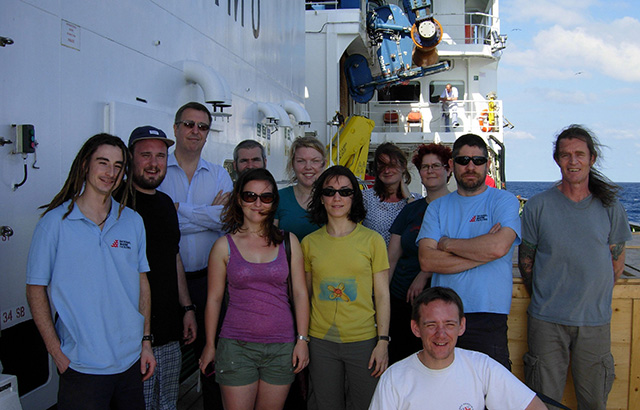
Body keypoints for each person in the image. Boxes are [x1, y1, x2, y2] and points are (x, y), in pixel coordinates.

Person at [26, 133, 156, 409]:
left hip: (130, 361)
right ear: (85, 165)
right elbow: (35, 288)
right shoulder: (54, 224)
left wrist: (145, 342)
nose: (110, 172)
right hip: (81, 366)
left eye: (118, 166)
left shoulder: (132, 221)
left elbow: (141, 282)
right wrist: (56, 352)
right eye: (103, 162)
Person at [518, 125, 632, 410]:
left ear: (592, 159)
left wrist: (593, 293)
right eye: (566, 155)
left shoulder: (611, 207)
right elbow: (526, 261)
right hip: (546, 322)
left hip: (595, 322)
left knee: (594, 402)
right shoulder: (538, 206)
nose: (573, 161)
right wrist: (548, 297)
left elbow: (616, 263)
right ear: (557, 160)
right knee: (545, 402)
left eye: (579, 154)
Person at [199, 168, 310, 410]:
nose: (257, 203)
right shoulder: (223, 246)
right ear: (239, 199)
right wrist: (209, 344)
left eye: (266, 197)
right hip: (236, 347)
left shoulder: (288, 242)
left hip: (282, 346)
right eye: (250, 196)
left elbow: (300, 294)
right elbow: (214, 299)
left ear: (274, 202)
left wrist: (302, 340)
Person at [417, 133, 520, 369]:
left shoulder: (504, 201)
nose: (470, 166)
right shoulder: (437, 207)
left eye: (478, 160)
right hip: (442, 316)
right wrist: (484, 253)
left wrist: (447, 243)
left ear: (488, 164)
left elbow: (498, 246)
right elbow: (427, 260)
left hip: (489, 313)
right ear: (452, 165)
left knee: (492, 395)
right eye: (463, 161)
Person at [158, 101, 233, 407]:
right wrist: (205, 216)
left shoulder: (218, 174)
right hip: (163, 283)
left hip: (207, 283)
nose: (195, 131)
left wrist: (177, 211)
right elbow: (159, 224)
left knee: (211, 354)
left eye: (202, 127)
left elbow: (226, 220)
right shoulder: (158, 171)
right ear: (175, 128)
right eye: (189, 124)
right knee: (161, 360)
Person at [369, 287, 546, 410]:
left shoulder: (481, 367)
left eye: (449, 324)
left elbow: (534, 407)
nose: (441, 334)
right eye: (431, 325)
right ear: (416, 328)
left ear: (461, 326)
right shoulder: (394, 378)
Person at [302, 165, 390, 410]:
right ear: (321, 197)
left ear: (355, 196)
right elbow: (305, 297)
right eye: (330, 191)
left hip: (364, 341)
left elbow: (382, 296)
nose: (337, 198)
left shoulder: (373, 241)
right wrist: (302, 339)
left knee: (366, 404)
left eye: (345, 191)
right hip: (320, 342)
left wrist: (382, 342)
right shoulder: (308, 244)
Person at [123, 126, 197, 410]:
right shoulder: (116, 204)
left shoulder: (166, 204)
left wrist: (187, 308)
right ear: (130, 159)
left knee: (166, 403)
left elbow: (173, 256)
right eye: (145, 155)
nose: (154, 163)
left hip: (167, 330)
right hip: (130, 337)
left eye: (160, 156)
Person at [387, 143, 452, 364]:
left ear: (448, 170)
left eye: (436, 166)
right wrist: (382, 298)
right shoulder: (410, 210)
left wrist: (424, 273)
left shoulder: (457, 208)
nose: (430, 171)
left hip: (439, 303)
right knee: (401, 360)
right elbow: (392, 257)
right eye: (425, 167)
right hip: (400, 299)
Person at [362, 142, 419, 246]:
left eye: (392, 165)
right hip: (373, 260)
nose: (387, 170)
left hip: (405, 261)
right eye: (382, 166)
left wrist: (409, 198)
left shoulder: (417, 201)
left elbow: (420, 228)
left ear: (403, 166)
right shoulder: (365, 198)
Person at [275, 136, 326, 241]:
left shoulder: (333, 197)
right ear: (293, 164)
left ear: (324, 164)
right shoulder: (279, 198)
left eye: (315, 161)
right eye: (301, 161)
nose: (308, 167)